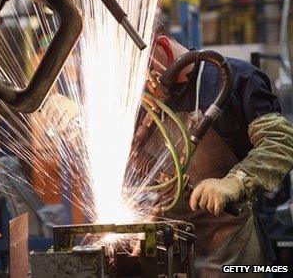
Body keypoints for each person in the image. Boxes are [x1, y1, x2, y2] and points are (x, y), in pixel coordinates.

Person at [42, 31, 293, 277]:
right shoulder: (141, 101)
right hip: (169, 256)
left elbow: (281, 141)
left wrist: (236, 181)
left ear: (160, 48)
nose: (141, 87)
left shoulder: (235, 78)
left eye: (141, 76)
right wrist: (77, 124)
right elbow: (127, 162)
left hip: (231, 254)